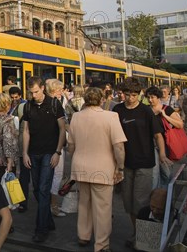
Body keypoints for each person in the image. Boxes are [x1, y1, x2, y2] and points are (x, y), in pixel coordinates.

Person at [68, 87, 127, 252]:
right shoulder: (111, 117)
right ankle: (101, 244)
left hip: (80, 167)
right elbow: (119, 146)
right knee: (102, 208)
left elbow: (71, 146)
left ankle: (83, 235)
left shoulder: (76, 117)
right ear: (102, 99)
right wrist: (120, 167)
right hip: (103, 168)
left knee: (84, 203)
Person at [113, 77, 170, 246]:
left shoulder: (146, 111)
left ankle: (145, 238)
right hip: (124, 164)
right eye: (128, 94)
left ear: (139, 94)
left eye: (134, 95)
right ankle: (137, 232)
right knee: (128, 203)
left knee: (141, 201)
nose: (131, 98)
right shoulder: (117, 110)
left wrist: (162, 155)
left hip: (144, 162)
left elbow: (158, 135)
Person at [22, 76, 66, 243]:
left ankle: (41, 229)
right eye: (31, 92)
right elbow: (26, 131)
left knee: (42, 189)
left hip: (49, 152)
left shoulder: (54, 104)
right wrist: (25, 153)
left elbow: (62, 129)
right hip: (33, 153)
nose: (33, 95)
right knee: (37, 189)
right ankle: (48, 220)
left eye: (36, 92)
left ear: (42, 88)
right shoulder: (28, 106)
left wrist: (57, 152)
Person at [147, 86, 184, 186]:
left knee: (167, 174)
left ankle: (167, 196)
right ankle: (156, 197)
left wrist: (165, 116)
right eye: (148, 97)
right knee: (154, 175)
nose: (150, 100)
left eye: (152, 97)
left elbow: (180, 124)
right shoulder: (146, 110)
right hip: (150, 145)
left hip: (166, 145)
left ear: (158, 97)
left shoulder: (167, 109)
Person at [44, 79, 69, 218]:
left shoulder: (44, 103)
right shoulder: (56, 104)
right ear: (54, 90)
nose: (61, 92)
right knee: (57, 175)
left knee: (47, 175)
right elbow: (63, 124)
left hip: (46, 144)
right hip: (56, 144)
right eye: (59, 90)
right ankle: (53, 205)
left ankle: (47, 204)